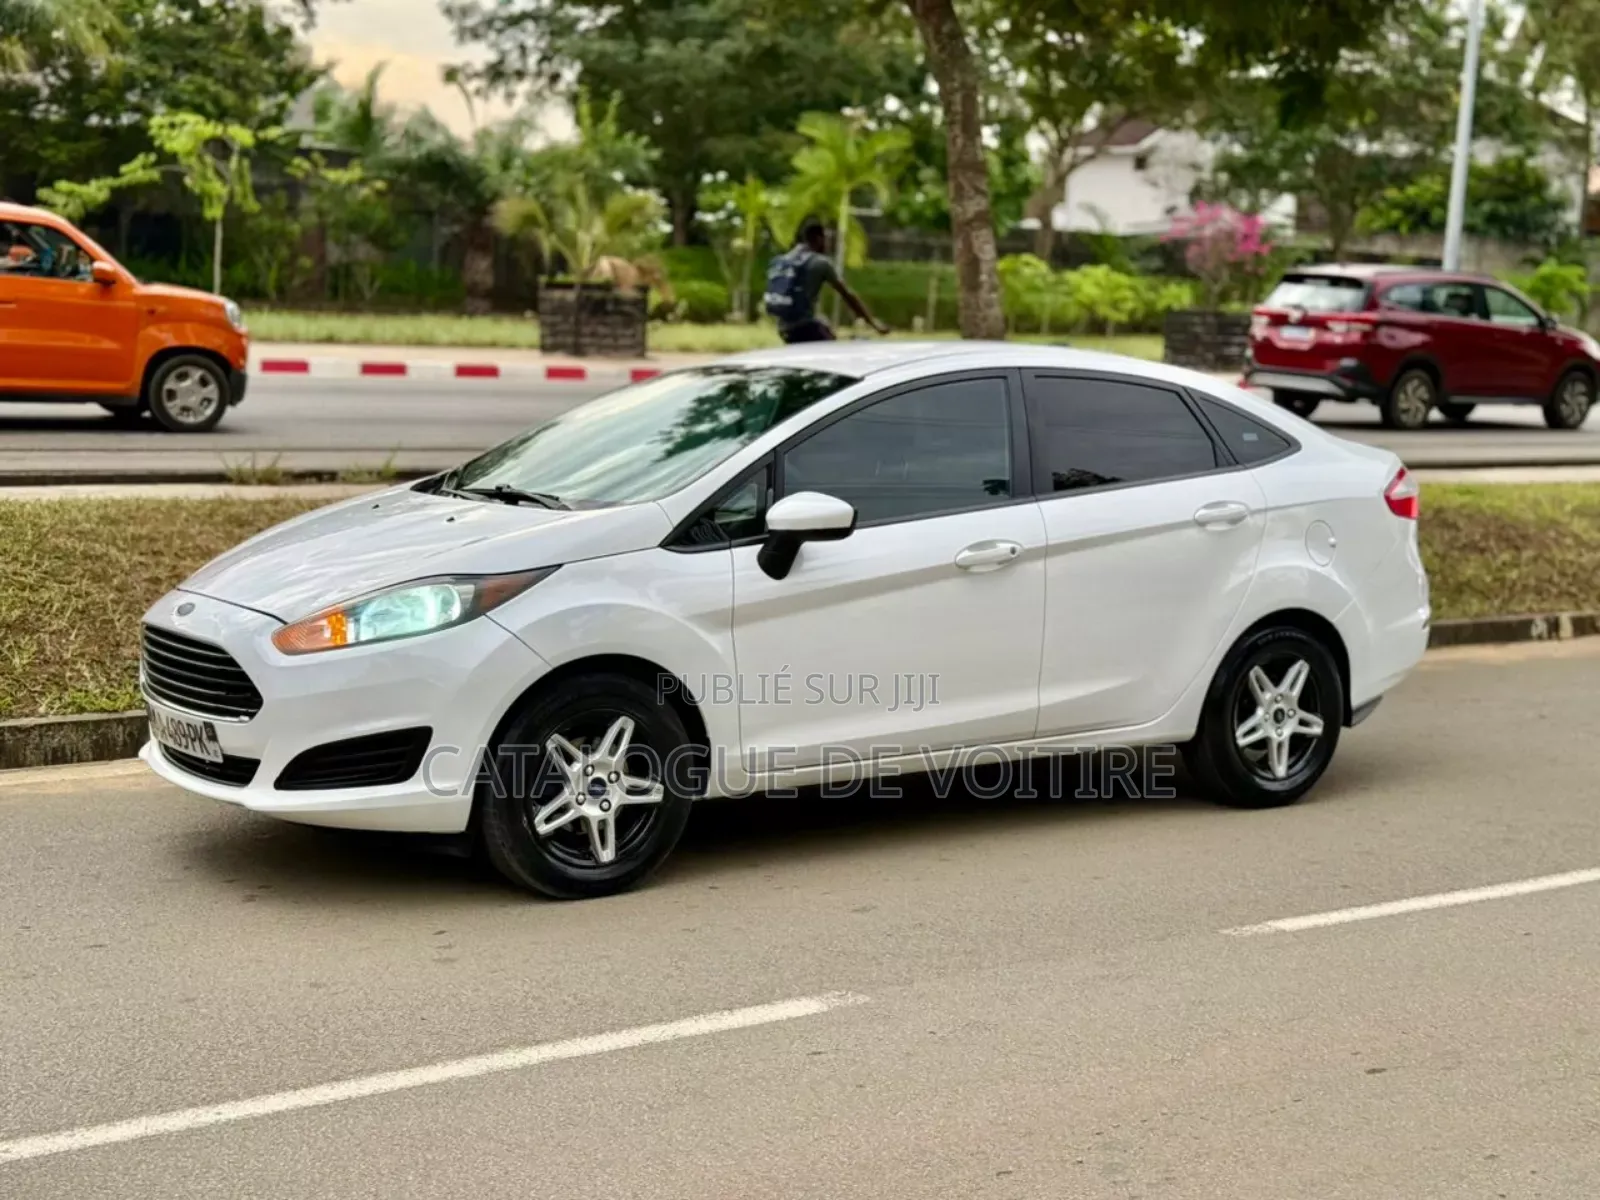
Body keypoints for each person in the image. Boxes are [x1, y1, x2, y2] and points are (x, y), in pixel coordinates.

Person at [764, 219, 889, 343]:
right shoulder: (820, 262)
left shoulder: (786, 259)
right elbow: (847, 295)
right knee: (833, 350)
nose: (828, 244)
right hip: (805, 327)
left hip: (783, 328)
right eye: (826, 239)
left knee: (824, 327)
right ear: (819, 239)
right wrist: (873, 323)